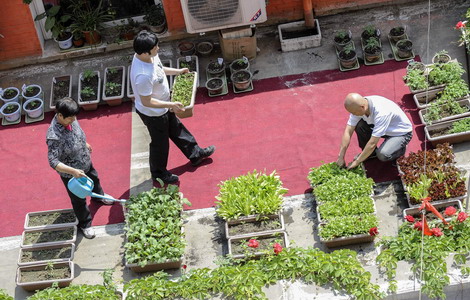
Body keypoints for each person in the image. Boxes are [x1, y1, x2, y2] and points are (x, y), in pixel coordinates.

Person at [130, 30, 215, 184]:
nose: (158, 49)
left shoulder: (150, 57)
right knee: (160, 144)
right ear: (144, 52)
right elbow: (146, 101)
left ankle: (195, 154)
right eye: (156, 47)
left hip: (164, 106)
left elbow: (160, 70)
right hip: (153, 114)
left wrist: (178, 72)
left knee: (177, 129)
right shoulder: (142, 75)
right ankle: (159, 173)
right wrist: (171, 105)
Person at [46, 97, 113, 239]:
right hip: (72, 174)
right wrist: (73, 172)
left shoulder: (71, 118)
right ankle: (85, 224)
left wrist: (85, 143)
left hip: (84, 161)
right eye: (70, 118)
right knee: (78, 199)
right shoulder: (54, 136)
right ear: (60, 116)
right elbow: (53, 161)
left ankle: (99, 197)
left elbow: (76, 134)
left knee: (94, 179)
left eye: (74, 117)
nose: (73, 120)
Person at [336, 93, 413, 169]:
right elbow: (348, 131)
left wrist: (357, 162)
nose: (353, 115)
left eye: (355, 113)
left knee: (383, 155)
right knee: (359, 125)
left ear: (362, 107)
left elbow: (372, 143)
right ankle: (370, 154)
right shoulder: (358, 105)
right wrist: (341, 156)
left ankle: (400, 149)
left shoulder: (381, 112)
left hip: (400, 133)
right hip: (383, 128)